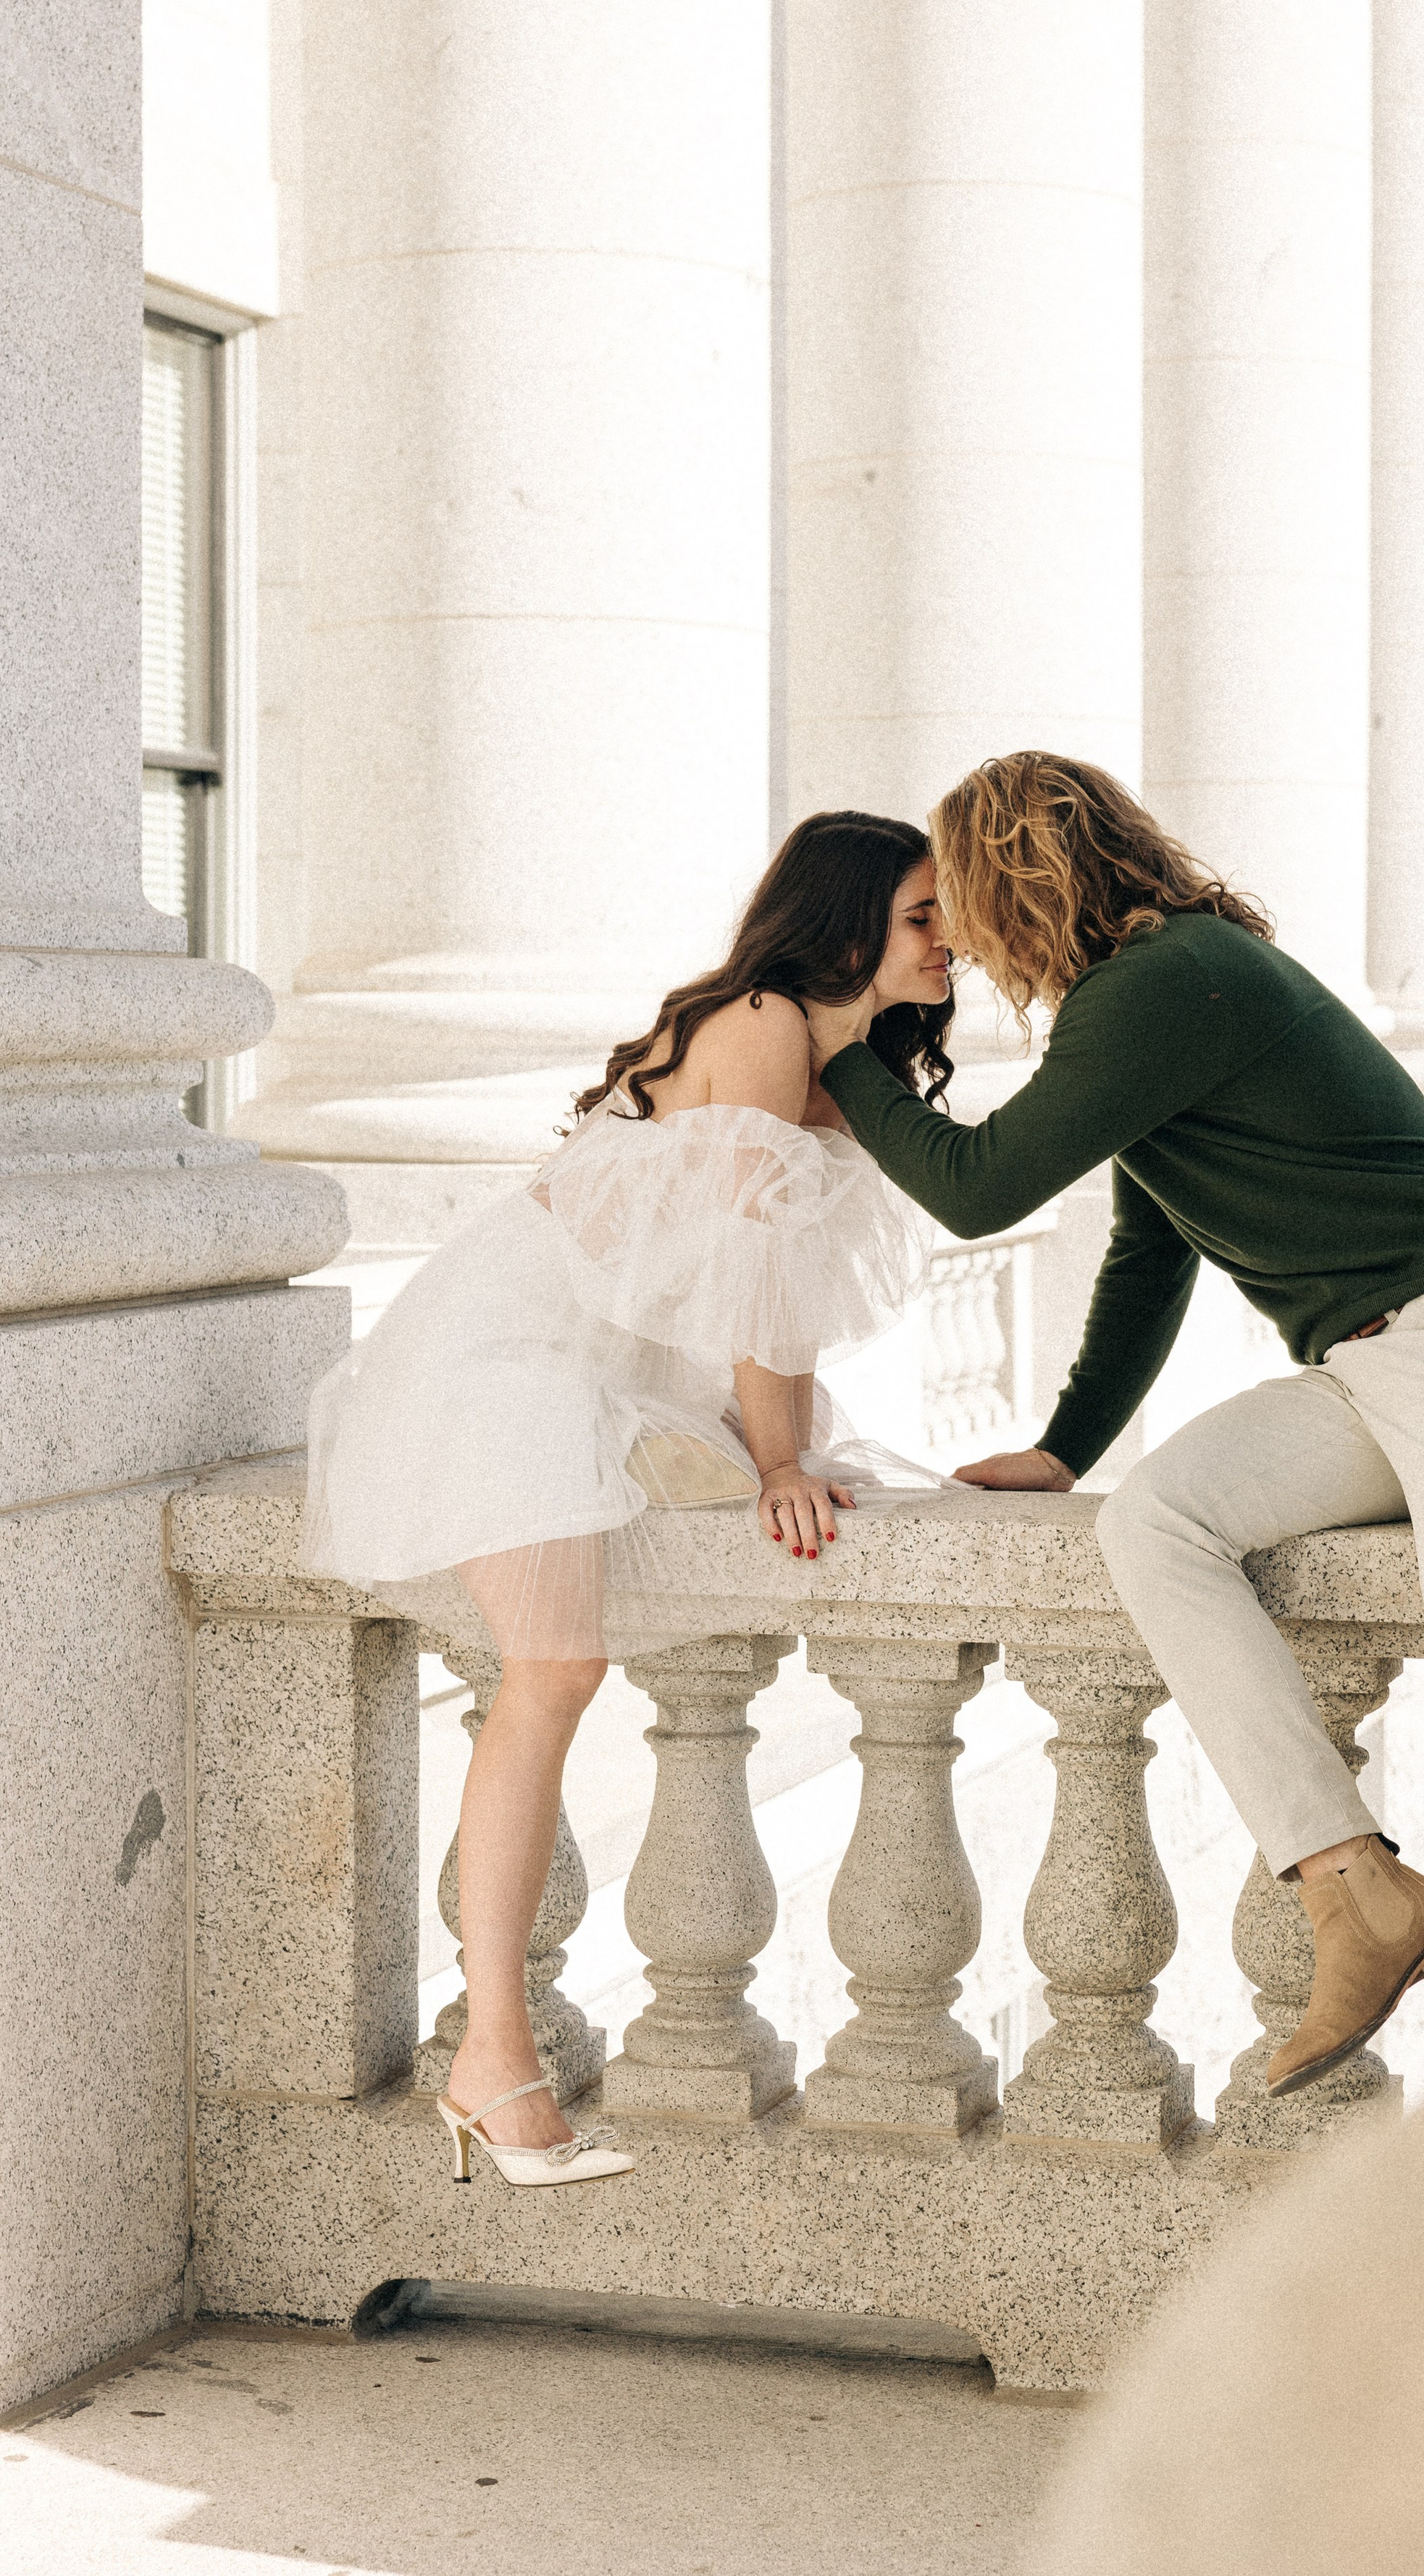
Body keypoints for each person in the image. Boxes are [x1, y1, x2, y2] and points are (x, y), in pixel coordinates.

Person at [803, 752, 1424, 2097]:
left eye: (960, 902)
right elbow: (1150, 1250)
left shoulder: (1165, 982)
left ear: (1013, 875)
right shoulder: (1149, 995)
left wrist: (842, 1051)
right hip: (1381, 1367)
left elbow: (977, 1190)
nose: (962, 940)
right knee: (1157, 1523)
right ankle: (1354, 1890)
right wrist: (1067, 1449)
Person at [301, 814, 955, 2180]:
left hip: (601, 1363)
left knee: (562, 1670)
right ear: (845, 925)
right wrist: (778, 1463)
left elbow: (776, 1285)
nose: (948, 939)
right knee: (553, 1673)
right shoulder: (766, 1022)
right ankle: (492, 2054)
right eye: (921, 914)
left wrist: (783, 1450)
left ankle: (493, 2058)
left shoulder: (835, 1057)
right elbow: (755, 1271)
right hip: (516, 1351)